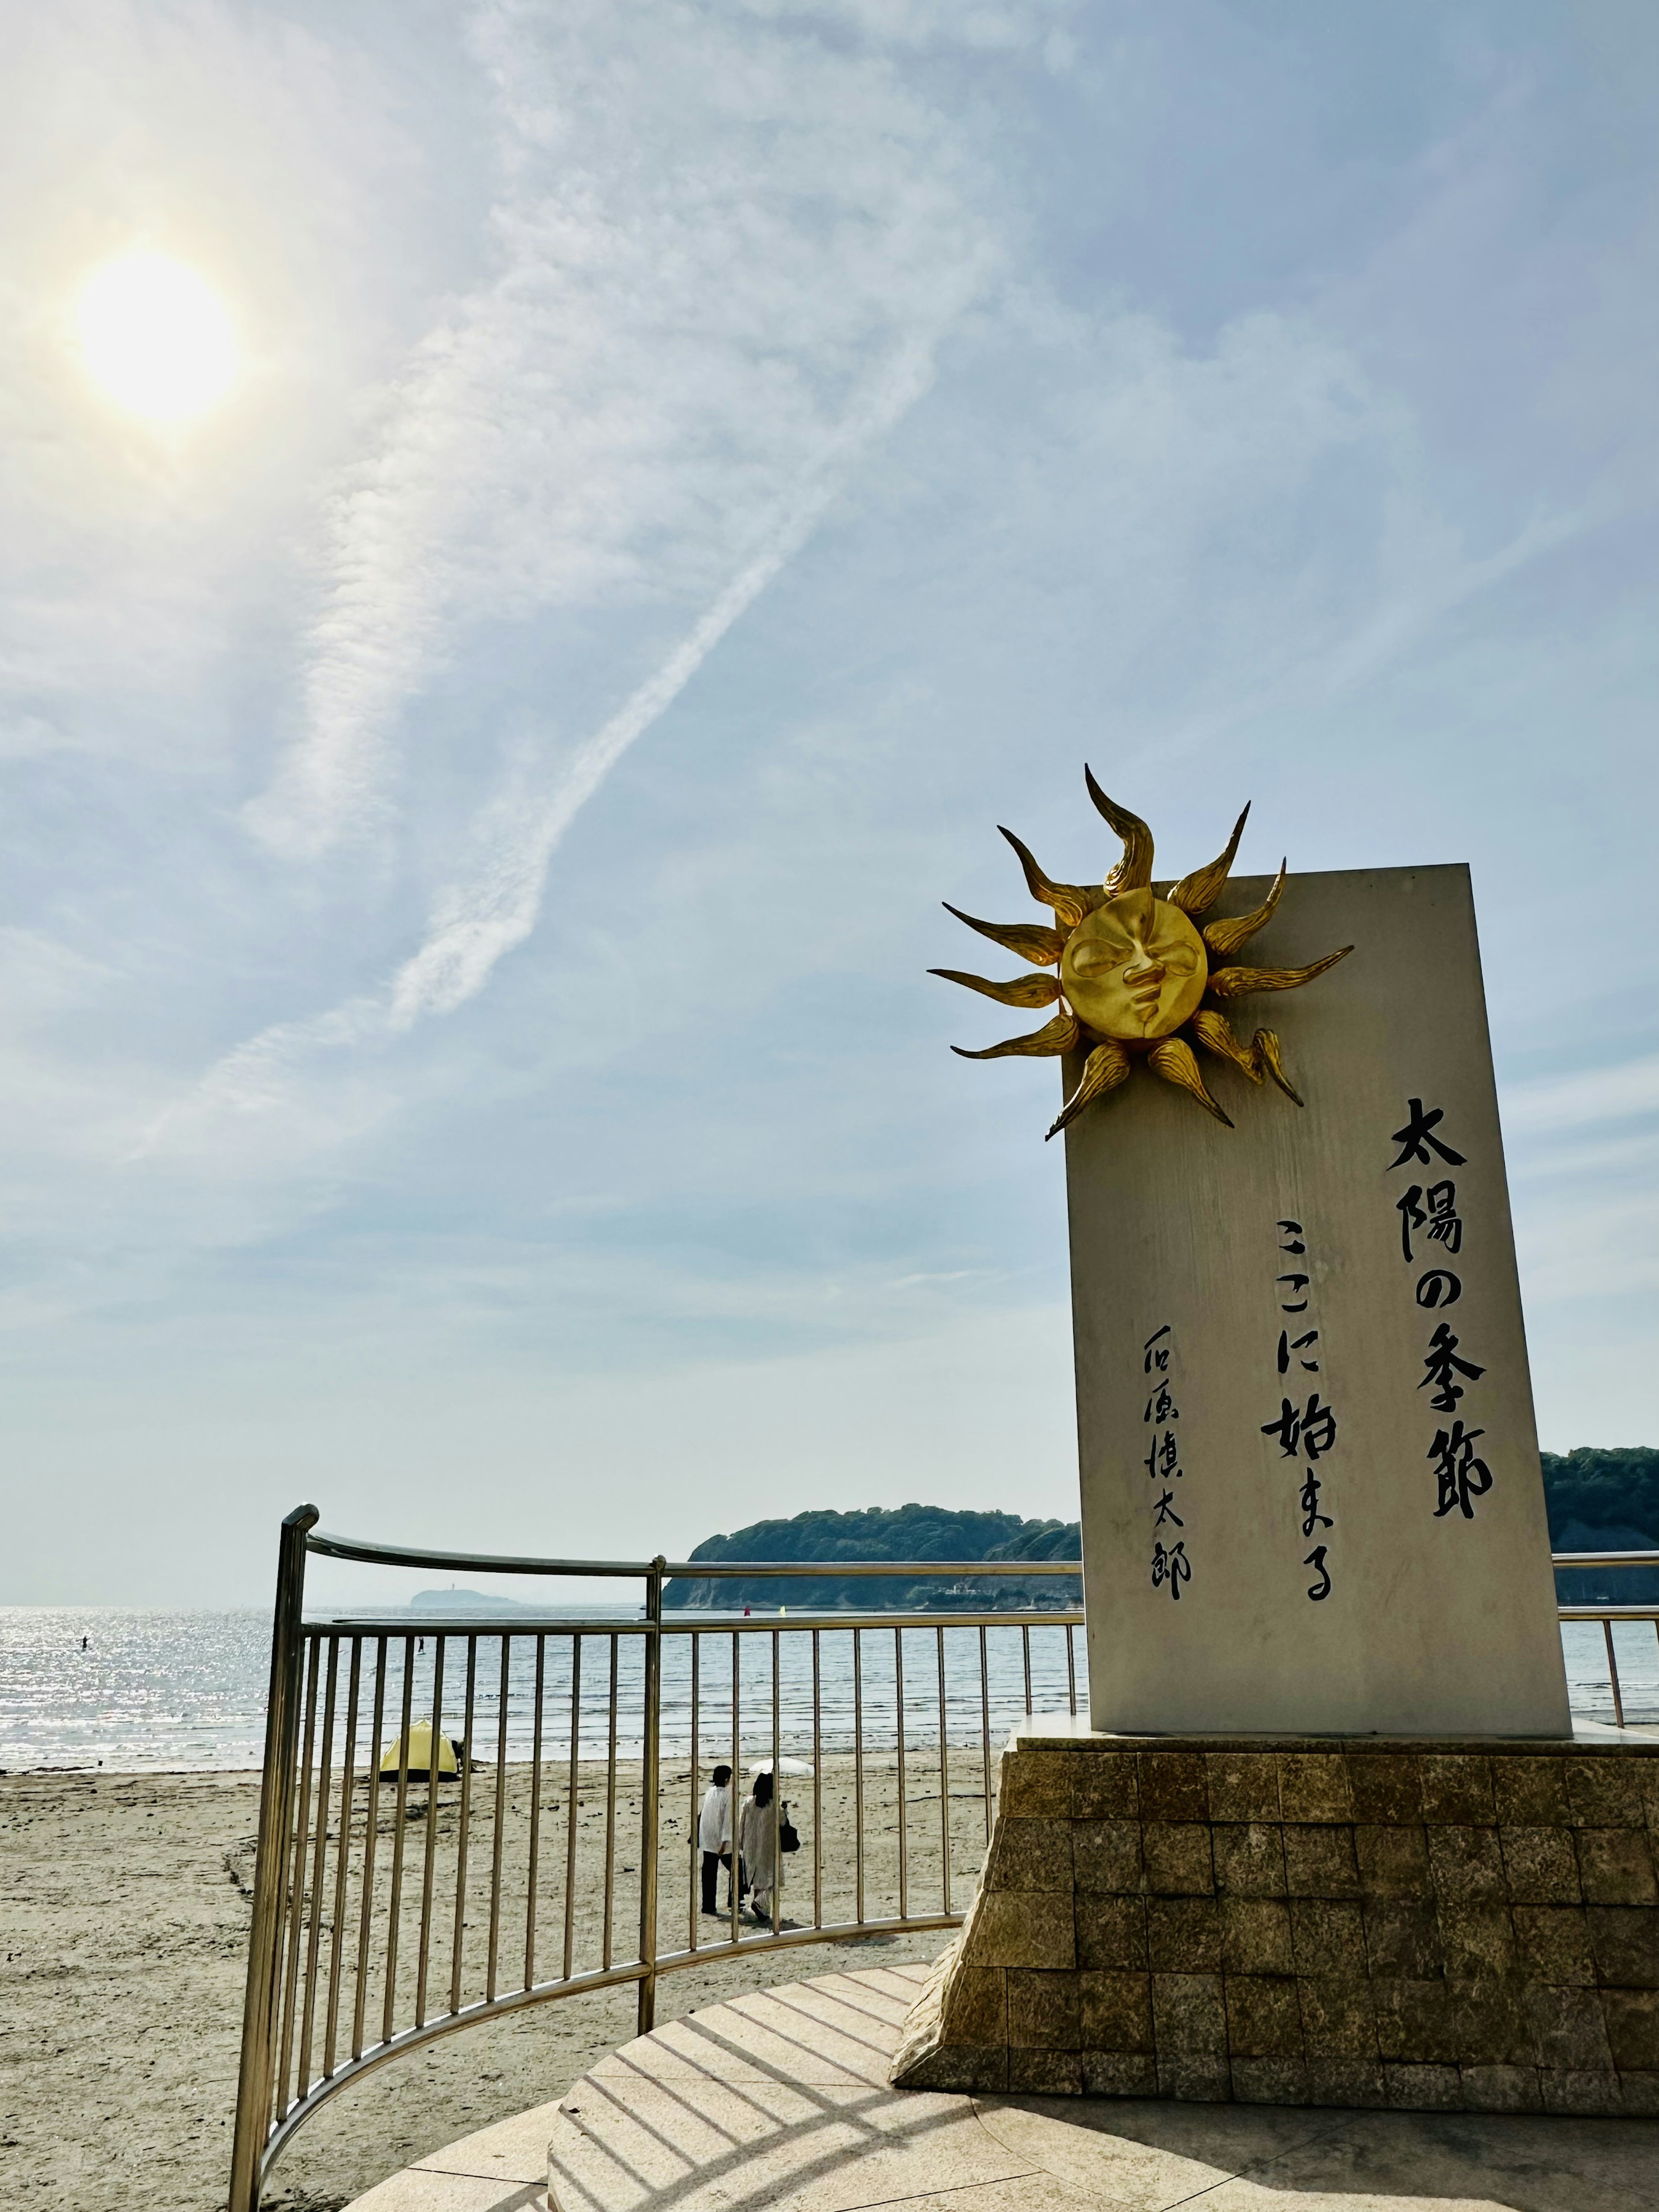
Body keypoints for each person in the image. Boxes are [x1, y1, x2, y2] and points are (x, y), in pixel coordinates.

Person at [738, 1769, 779, 1929]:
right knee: (769, 1879)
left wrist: (740, 1842)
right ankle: (759, 1904)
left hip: (750, 1846)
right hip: (767, 1846)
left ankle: (762, 1910)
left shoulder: (749, 1803)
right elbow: (781, 1823)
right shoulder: (772, 1804)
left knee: (757, 1879)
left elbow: (741, 1824)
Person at [698, 1764, 734, 1914]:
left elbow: (704, 1815)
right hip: (721, 1842)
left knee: (708, 1874)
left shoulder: (710, 1792)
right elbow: (728, 1820)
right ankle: (734, 1900)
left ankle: (708, 1906)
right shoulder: (728, 1795)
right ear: (727, 1779)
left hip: (707, 1840)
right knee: (738, 1870)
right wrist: (725, 1843)